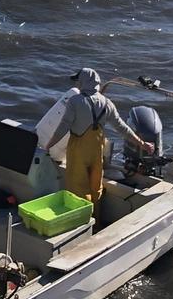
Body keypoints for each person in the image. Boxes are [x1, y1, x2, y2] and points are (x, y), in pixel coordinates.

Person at [46, 68, 153, 206]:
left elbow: (63, 127)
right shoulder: (107, 103)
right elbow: (122, 128)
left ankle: (83, 221)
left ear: (83, 81)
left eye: (78, 80)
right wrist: (142, 143)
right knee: (96, 187)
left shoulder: (75, 101)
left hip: (78, 152)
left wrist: (50, 145)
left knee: (77, 187)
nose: (77, 84)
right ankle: (96, 219)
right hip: (96, 152)